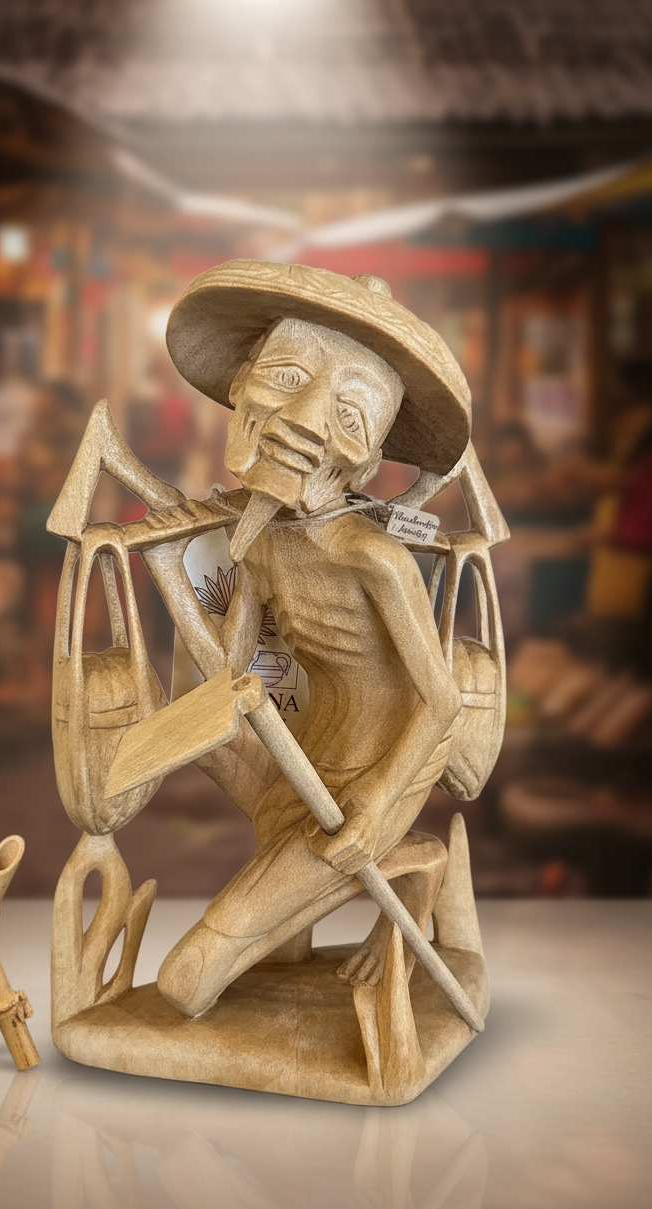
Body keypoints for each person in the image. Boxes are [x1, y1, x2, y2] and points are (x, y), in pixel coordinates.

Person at [140, 264, 471, 1018]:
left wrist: (378, 803)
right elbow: (228, 670)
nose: (308, 421)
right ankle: (325, 884)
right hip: (308, 751)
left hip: (380, 768)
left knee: (187, 980)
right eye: (287, 376)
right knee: (280, 945)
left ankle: (414, 858)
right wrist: (165, 565)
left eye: (351, 415)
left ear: (370, 458)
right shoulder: (260, 535)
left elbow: (442, 701)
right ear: (240, 387)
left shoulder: (371, 556)